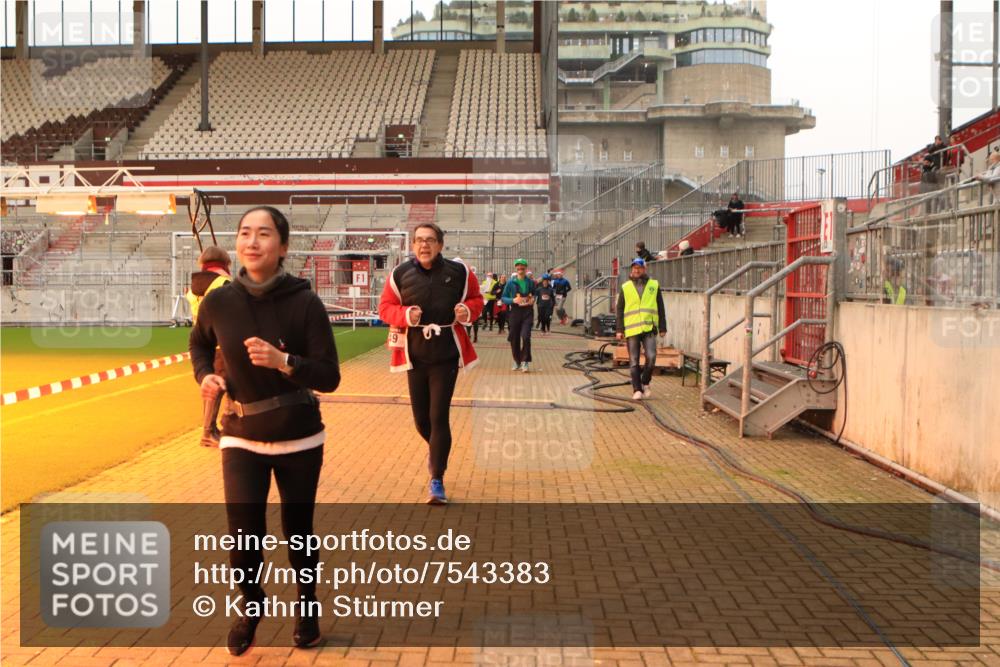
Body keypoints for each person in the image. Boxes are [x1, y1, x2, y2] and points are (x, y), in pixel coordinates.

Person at [189, 206, 341, 655]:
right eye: (244, 233)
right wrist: (205, 376)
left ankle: (308, 607)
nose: (252, 241)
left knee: (298, 531)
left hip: (299, 435)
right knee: (243, 533)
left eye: (264, 234)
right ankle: (251, 604)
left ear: (283, 246)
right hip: (240, 433)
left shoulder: (305, 302)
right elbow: (199, 341)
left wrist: (286, 363)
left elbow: (329, 376)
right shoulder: (219, 300)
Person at [378, 222, 483, 505]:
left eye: (430, 240)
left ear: (440, 245)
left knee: (438, 417)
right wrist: (405, 315)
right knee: (421, 421)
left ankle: (436, 479)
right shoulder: (399, 273)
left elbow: (477, 300)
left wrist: (467, 310)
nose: (424, 245)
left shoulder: (460, 272)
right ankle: (438, 450)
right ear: (412, 245)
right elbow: (385, 307)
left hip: (446, 355)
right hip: (414, 356)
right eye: (419, 240)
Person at [185, 245, 233, 448]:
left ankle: (214, 428)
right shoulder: (225, 283)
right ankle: (208, 431)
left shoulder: (192, 288)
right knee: (219, 385)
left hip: (204, 340)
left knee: (211, 385)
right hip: (222, 341)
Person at [615, 258, 667, 400]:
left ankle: (645, 382)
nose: (636, 270)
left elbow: (660, 307)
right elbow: (619, 309)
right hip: (632, 329)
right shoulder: (626, 287)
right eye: (634, 268)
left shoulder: (654, 285)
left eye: (639, 268)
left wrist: (663, 327)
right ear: (632, 270)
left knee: (651, 357)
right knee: (633, 361)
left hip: (648, 327)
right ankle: (636, 389)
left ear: (644, 269)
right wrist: (619, 329)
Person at [501, 258, 536, 372]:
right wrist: (513, 300)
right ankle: (517, 361)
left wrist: (533, 299)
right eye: (518, 266)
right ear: (516, 268)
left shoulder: (530, 282)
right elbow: (503, 298)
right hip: (515, 312)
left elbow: (534, 294)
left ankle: (525, 361)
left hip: (527, 312)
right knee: (514, 338)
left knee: (526, 336)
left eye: (522, 266)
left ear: (526, 268)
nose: (520, 268)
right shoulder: (511, 283)